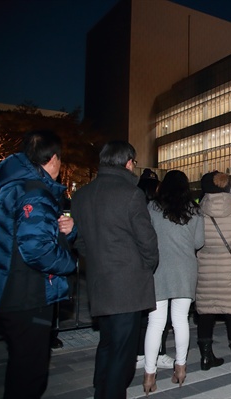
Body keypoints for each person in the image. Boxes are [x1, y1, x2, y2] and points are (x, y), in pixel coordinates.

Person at [0, 130, 77, 398]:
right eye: (60, 159)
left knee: (21, 368)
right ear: (52, 159)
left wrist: (68, 232)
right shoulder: (35, 193)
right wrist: (69, 262)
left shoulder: (15, 187)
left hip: (12, 290)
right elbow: (36, 249)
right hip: (28, 294)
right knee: (30, 374)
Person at [72, 140, 159, 399]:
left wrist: (100, 261)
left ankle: (102, 390)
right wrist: (144, 267)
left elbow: (80, 241)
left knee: (108, 344)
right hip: (127, 285)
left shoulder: (82, 195)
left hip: (99, 281)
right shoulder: (131, 193)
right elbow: (148, 241)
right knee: (123, 352)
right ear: (128, 162)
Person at [143, 170, 204, 392]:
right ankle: (180, 369)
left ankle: (149, 376)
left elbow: (146, 236)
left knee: (155, 324)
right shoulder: (195, 210)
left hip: (158, 269)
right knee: (180, 320)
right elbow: (199, 242)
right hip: (185, 270)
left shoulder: (152, 208)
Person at [196, 171, 231, 375]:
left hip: (205, 268)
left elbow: (196, 242)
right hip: (230, 268)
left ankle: (206, 358)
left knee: (206, 312)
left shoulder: (199, 211)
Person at [135, 173, 175, 371]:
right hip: (154, 264)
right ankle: (155, 353)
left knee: (147, 314)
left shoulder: (143, 206)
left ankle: (142, 353)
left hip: (143, 264)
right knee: (158, 316)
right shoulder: (154, 208)